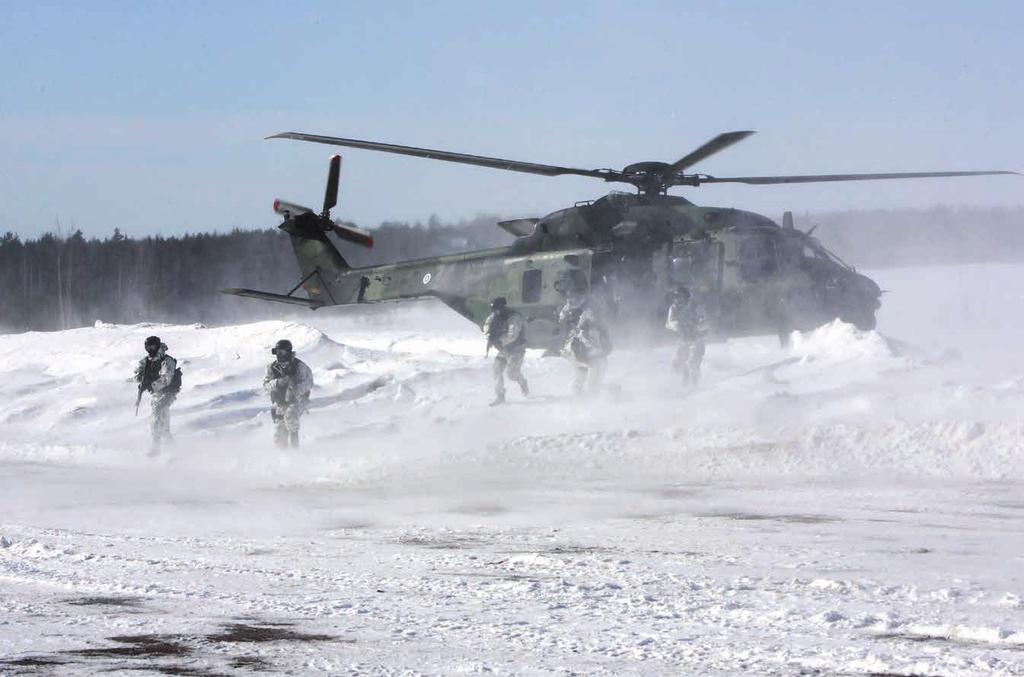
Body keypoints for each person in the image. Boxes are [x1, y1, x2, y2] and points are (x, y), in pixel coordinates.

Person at [133, 335, 181, 453]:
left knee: (157, 411)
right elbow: (136, 374)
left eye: (153, 347)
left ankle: (156, 447)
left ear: (158, 346)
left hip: (168, 392)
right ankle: (173, 450)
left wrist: (152, 385)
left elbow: (166, 378)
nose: (151, 349)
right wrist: (142, 380)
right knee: (162, 423)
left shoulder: (166, 360)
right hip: (157, 393)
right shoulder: (146, 361)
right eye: (148, 347)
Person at [559, 289, 611, 395]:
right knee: (584, 377)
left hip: (591, 356)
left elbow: (603, 347)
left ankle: (589, 397)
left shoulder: (589, 323)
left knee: (589, 380)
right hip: (582, 354)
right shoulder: (580, 324)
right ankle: (582, 398)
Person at [263, 339, 314, 448]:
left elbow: (308, 383)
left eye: (281, 352)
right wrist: (277, 383)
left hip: (298, 400)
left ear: (288, 352)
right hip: (280, 401)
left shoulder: (299, 366)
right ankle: (283, 456)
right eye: (277, 352)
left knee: (291, 416)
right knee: (279, 429)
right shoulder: (272, 368)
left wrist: (293, 389)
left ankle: (296, 450)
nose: (279, 355)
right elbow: (265, 385)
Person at [482, 297, 529, 405]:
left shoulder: (514, 318)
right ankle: (500, 396)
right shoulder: (495, 316)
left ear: (503, 307)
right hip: (504, 349)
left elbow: (513, 336)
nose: (496, 312)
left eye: (497, 310)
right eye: (494, 310)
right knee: (496, 369)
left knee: (512, 374)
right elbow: (487, 324)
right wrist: (489, 333)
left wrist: (499, 340)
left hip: (516, 349)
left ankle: (523, 383)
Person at [666, 286, 708, 386]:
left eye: (681, 297)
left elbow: (705, 322)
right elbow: (670, 321)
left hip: (697, 338)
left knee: (693, 362)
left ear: (686, 297)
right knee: (677, 362)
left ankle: (695, 384)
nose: (678, 299)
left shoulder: (696, 306)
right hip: (682, 338)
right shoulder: (674, 307)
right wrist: (680, 326)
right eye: (676, 297)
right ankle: (683, 381)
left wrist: (696, 327)